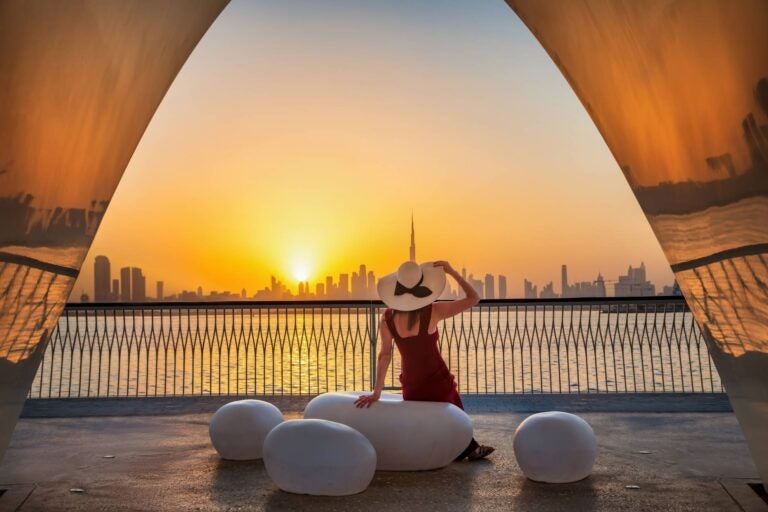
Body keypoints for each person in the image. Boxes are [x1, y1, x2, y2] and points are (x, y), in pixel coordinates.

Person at [354, 259, 495, 461]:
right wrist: (452, 272)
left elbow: (385, 355)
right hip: (437, 381)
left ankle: (461, 448)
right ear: (421, 286)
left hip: (411, 385)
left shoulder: (387, 318)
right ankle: (468, 448)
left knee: (429, 419)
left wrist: (377, 392)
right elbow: (474, 298)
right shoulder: (433, 311)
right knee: (455, 415)